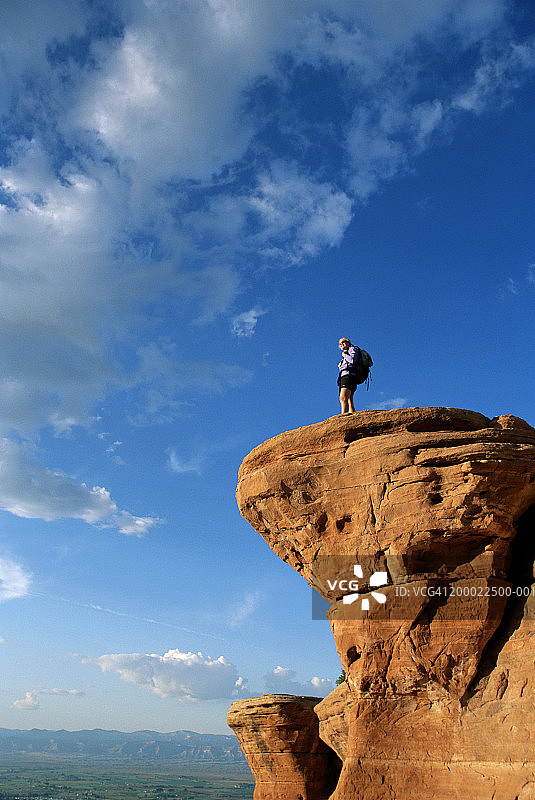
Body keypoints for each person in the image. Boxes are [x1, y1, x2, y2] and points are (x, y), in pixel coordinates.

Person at [337, 337, 359, 414]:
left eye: (343, 342)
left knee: (343, 397)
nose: (341, 345)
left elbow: (352, 360)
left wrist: (344, 355)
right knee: (349, 399)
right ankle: (352, 415)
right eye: (340, 344)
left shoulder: (352, 349)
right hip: (347, 376)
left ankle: (344, 416)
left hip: (348, 376)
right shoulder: (348, 352)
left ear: (348, 342)